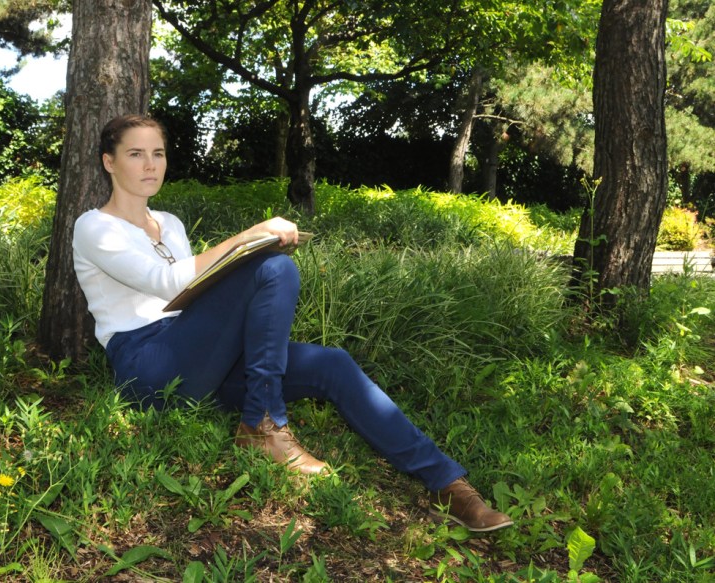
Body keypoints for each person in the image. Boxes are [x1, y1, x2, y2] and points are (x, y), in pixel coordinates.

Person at [72, 114, 514, 533]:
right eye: (135, 154)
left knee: (332, 363)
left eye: (159, 153)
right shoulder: (95, 227)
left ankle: (447, 485)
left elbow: (198, 296)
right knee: (274, 267)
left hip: (197, 355)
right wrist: (248, 239)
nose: (150, 164)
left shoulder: (169, 224)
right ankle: (264, 423)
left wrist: (246, 285)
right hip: (147, 367)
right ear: (109, 162)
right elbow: (165, 284)